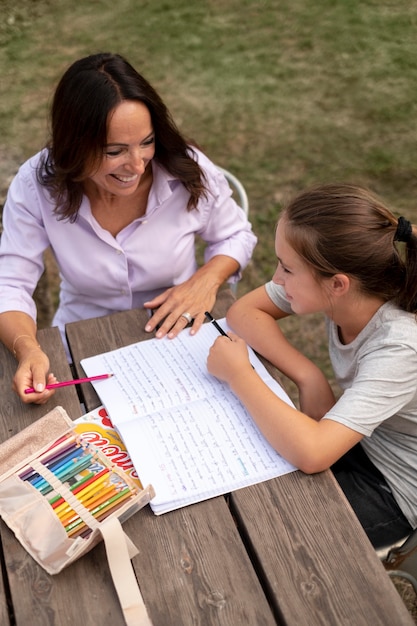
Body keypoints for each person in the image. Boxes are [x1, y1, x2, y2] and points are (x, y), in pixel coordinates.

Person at [0, 52, 256, 405]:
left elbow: (236, 235)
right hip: (79, 342)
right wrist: (28, 349)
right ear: (74, 145)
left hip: (179, 333)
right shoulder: (35, 184)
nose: (136, 165)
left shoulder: (187, 171)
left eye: (147, 142)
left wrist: (206, 279)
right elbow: (11, 281)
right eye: (115, 151)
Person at [207, 183, 417, 548]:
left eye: (287, 268)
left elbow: (313, 453)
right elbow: (243, 312)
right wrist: (309, 376)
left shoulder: (399, 346)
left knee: (257, 532)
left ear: (337, 284)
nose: (276, 278)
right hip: (360, 439)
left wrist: (239, 374)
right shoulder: (354, 288)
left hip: (393, 486)